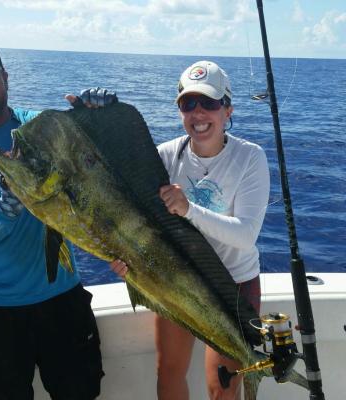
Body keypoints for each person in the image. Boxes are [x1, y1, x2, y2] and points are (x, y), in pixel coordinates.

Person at [0, 38, 117, 400]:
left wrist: (101, 119)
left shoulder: (41, 125)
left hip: (62, 303)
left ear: (6, 78)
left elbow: (98, 170)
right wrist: (8, 206)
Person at [110, 60, 270, 400]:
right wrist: (127, 261)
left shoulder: (250, 158)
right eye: (188, 104)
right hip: (177, 280)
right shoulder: (165, 156)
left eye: (209, 103)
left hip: (234, 287)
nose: (198, 114)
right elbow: (127, 204)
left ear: (228, 110)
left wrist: (188, 209)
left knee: (223, 386)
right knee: (167, 374)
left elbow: (245, 236)